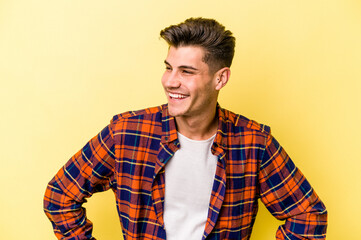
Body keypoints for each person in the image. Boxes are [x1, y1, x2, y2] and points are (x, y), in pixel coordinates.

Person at [44, 17, 327, 240]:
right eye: (169, 68)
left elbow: (309, 216)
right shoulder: (127, 133)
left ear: (220, 79)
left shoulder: (254, 142)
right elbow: (60, 196)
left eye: (186, 72)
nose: (170, 81)